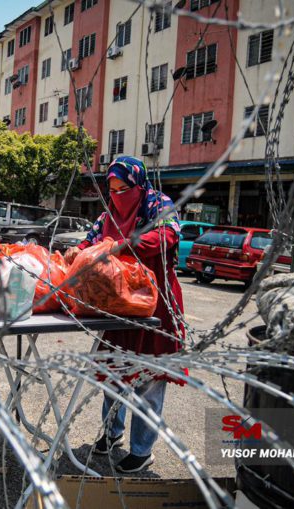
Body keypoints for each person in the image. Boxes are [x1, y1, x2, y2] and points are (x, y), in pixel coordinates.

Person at [64, 156, 188, 473]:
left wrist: (122, 246)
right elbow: (91, 239)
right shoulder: (109, 215)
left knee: (148, 379)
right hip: (119, 305)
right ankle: (111, 433)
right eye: (113, 189)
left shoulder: (157, 203)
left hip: (155, 304)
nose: (118, 196)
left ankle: (142, 450)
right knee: (115, 372)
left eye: (124, 189)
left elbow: (168, 235)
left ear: (138, 184)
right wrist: (79, 250)